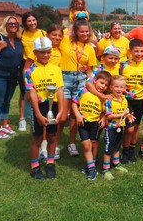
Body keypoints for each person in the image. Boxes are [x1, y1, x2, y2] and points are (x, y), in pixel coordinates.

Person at [56, 19, 97, 159]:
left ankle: (71, 143)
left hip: (80, 81)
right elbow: (56, 35)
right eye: (82, 31)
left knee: (75, 116)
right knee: (62, 116)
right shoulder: (66, 41)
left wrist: (91, 81)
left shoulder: (90, 48)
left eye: (87, 31)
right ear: (75, 31)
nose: (85, 34)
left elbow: (91, 70)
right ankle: (54, 145)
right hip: (65, 78)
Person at [25, 37, 64, 179]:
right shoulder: (29, 71)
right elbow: (32, 93)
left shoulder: (56, 69)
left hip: (52, 106)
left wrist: (60, 111)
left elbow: (59, 90)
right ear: (35, 53)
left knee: (52, 136)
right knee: (37, 138)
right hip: (39, 107)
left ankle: (50, 163)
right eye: (41, 52)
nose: (45, 55)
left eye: (48, 52)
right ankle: (35, 168)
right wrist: (38, 114)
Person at [72, 71, 112, 180]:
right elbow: (74, 103)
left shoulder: (104, 98)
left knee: (94, 143)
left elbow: (105, 111)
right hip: (83, 122)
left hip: (95, 124)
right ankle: (91, 169)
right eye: (101, 83)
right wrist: (77, 115)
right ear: (94, 81)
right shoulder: (84, 91)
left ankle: (92, 162)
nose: (103, 86)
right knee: (86, 145)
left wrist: (103, 118)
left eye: (106, 85)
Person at [120, 38, 143, 164]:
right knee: (129, 128)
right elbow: (119, 83)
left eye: (141, 51)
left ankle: (131, 149)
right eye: (136, 51)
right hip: (127, 101)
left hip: (141, 100)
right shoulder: (124, 65)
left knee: (136, 126)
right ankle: (125, 150)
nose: (139, 54)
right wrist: (125, 93)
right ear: (130, 51)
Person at [102, 75, 135, 181]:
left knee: (117, 146)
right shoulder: (109, 100)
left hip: (120, 127)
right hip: (110, 128)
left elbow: (125, 112)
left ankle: (116, 164)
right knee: (109, 148)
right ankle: (105, 169)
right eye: (116, 87)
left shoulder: (124, 99)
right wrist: (123, 114)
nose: (119, 89)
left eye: (121, 87)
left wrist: (129, 116)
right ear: (111, 87)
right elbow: (109, 116)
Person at [0, 16, 23, 139]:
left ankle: (5, 124)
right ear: (5, 25)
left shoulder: (18, 40)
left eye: (15, 24)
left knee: (7, 101)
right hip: (0, 74)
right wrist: (0, 47)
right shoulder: (0, 38)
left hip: (13, 75)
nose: (13, 25)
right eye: (10, 23)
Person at [19, 12, 46, 132]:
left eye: (34, 20)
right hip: (26, 63)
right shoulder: (22, 33)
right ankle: (22, 119)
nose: (32, 23)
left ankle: (38, 116)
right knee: (24, 92)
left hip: (40, 64)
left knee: (39, 91)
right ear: (25, 23)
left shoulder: (43, 33)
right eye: (29, 21)